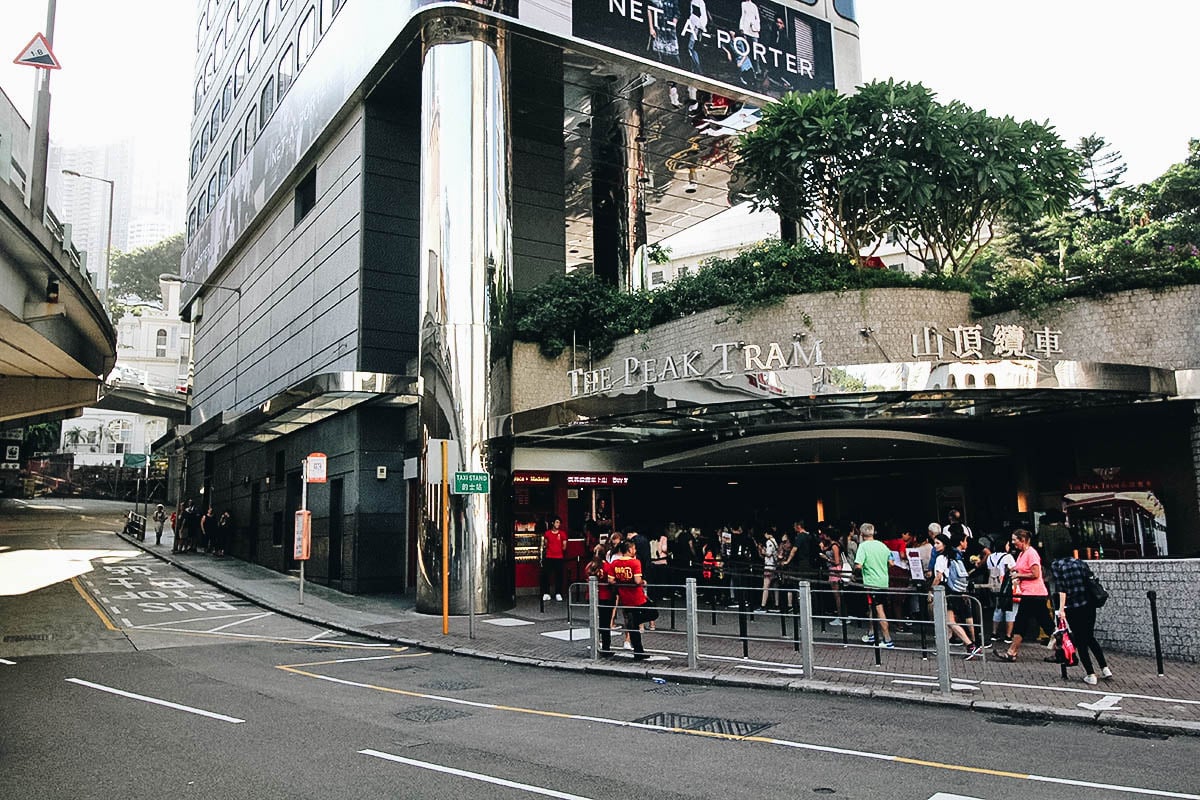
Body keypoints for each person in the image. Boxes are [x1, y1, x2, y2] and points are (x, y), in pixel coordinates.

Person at [1050, 553, 1112, 685]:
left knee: (1080, 640)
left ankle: (1091, 674)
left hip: (1073, 607)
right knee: (1090, 637)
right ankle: (1105, 668)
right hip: (1089, 604)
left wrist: (1061, 609)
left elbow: (1061, 589)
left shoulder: (1057, 565)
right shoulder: (1080, 563)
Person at [994, 529, 1052, 662]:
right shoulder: (1021, 554)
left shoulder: (1031, 554)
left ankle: (1012, 651)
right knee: (1041, 622)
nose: (1013, 542)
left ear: (1023, 540)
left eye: (1015, 540)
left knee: (1023, 621)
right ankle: (1063, 648)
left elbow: (1036, 574)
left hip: (1034, 593)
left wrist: (1018, 575)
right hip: (1029, 593)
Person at [931, 534, 982, 659]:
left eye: (938, 543)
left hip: (946, 591)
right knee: (949, 621)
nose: (935, 546)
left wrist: (931, 591)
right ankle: (944, 647)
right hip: (956, 591)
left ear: (944, 544)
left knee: (950, 622)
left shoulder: (940, 558)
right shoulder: (953, 556)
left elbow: (938, 577)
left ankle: (970, 645)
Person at [606, 539, 653, 660]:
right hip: (637, 597)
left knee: (632, 624)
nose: (635, 550)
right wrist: (644, 581)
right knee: (653, 613)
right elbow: (637, 581)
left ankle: (639, 651)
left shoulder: (615, 563)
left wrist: (621, 582)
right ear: (629, 549)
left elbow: (610, 580)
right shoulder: (635, 562)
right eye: (634, 548)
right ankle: (638, 650)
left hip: (624, 596)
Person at [853, 523, 894, 648]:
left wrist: (856, 572)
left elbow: (858, 565)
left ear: (861, 534)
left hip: (871, 582)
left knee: (879, 609)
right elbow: (891, 563)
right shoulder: (882, 545)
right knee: (873, 607)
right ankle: (872, 633)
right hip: (883, 581)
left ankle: (887, 639)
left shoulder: (863, 547)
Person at [585, 545, 615, 657]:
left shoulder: (589, 566)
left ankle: (595, 644)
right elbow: (611, 580)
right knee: (605, 623)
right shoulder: (607, 566)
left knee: (595, 621)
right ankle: (606, 648)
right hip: (605, 597)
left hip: (592, 597)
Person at [986, 539, 1017, 645]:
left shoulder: (990, 556)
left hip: (994, 586)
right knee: (1010, 610)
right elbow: (1014, 570)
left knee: (998, 608)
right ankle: (1008, 636)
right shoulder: (1008, 557)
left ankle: (994, 633)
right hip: (1006, 586)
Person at [541, 516, 568, 602]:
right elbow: (545, 544)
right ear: (553, 523)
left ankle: (558, 593)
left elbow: (564, 546)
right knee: (546, 575)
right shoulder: (547, 533)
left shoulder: (563, 534)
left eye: (559, 523)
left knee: (559, 576)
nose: (558, 524)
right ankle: (546, 593)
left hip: (559, 557)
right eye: (556, 522)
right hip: (549, 556)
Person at [757, 527, 778, 611]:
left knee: (765, 585)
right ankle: (777, 604)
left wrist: (762, 551)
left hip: (769, 565)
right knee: (775, 585)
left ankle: (763, 605)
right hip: (775, 565)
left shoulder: (769, 541)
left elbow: (768, 554)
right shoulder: (775, 542)